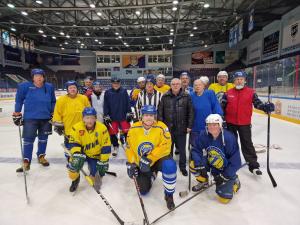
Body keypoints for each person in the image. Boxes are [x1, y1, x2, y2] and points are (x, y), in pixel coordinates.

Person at [221, 71, 275, 175]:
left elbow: (257, 103)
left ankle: (253, 165)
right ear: (234, 81)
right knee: (231, 143)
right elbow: (222, 107)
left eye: (241, 79)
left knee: (247, 144)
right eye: (237, 79)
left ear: (245, 80)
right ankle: (231, 161)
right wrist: (222, 119)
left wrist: (265, 107)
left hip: (244, 123)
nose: (239, 81)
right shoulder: (228, 93)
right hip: (230, 123)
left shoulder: (251, 92)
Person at [126, 105, 177, 210]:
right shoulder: (134, 128)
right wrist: (132, 163)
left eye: (151, 115)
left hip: (158, 160)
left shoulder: (161, 126)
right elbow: (129, 147)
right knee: (143, 191)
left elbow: (166, 146)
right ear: (142, 116)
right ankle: (152, 175)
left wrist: (150, 158)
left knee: (170, 166)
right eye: (146, 115)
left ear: (155, 116)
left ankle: (169, 195)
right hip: (142, 163)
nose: (149, 118)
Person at [190, 114, 242, 204]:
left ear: (220, 125)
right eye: (209, 124)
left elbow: (236, 162)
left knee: (224, 200)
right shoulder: (204, 134)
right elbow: (195, 149)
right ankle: (204, 181)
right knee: (193, 165)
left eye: (215, 124)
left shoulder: (228, 138)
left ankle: (234, 181)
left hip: (225, 168)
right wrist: (199, 165)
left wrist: (224, 176)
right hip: (211, 162)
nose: (211, 127)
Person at [12, 68, 56, 172]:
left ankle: (41, 156)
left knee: (43, 139)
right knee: (28, 140)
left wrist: (53, 112)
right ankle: (26, 161)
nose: (39, 77)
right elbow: (19, 100)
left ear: (44, 77)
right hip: (30, 118)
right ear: (32, 77)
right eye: (36, 76)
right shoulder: (24, 86)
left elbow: (53, 101)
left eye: (41, 75)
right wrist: (17, 113)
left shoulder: (49, 87)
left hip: (46, 118)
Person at [67, 107, 111, 192]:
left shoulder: (102, 128)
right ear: (83, 118)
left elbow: (106, 145)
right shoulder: (76, 128)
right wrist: (76, 154)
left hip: (94, 155)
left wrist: (103, 161)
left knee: (99, 171)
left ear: (95, 118)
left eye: (92, 118)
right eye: (87, 117)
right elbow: (74, 143)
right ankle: (75, 179)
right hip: (81, 153)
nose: (89, 120)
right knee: (73, 169)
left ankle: (93, 170)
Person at [158, 78, 194, 176]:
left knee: (182, 150)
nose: (175, 85)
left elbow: (191, 112)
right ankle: (168, 167)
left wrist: (189, 125)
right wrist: (161, 126)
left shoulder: (186, 96)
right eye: (173, 84)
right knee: (168, 150)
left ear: (181, 84)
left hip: (181, 128)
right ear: (170, 85)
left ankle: (182, 167)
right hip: (168, 129)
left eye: (177, 84)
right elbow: (160, 112)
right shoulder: (165, 96)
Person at [52, 80, 90, 159]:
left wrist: (89, 123)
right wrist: (58, 125)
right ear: (67, 90)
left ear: (77, 89)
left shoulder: (83, 98)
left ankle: (81, 157)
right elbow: (57, 113)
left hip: (82, 128)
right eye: (70, 88)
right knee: (68, 145)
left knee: (82, 144)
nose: (72, 89)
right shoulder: (61, 100)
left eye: (74, 87)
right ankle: (69, 159)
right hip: (68, 128)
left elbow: (89, 111)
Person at [103, 77, 132, 157]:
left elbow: (128, 102)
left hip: (123, 115)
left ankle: (127, 144)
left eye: (117, 83)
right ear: (112, 84)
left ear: (120, 84)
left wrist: (129, 112)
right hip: (112, 116)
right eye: (114, 83)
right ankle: (115, 146)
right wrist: (106, 115)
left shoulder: (124, 91)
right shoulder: (108, 92)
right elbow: (106, 104)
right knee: (113, 132)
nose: (116, 85)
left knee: (127, 131)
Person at [190, 79, 223, 147]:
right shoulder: (191, 95)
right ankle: (195, 157)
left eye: (199, 85)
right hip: (195, 126)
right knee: (195, 145)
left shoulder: (210, 93)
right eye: (195, 85)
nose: (197, 87)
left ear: (203, 86)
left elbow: (216, 106)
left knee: (209, 145)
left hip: (209, 126)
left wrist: (218, 116)